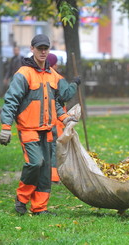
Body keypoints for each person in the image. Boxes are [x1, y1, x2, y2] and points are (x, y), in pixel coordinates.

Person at [0, 34, 77, 216]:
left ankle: (40, 208)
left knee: (45, 170)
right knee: (35, 163)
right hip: (28, 128)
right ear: (32, 49)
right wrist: (5, 127)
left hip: (47, 130)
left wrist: (64, 117)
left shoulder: (52, 75)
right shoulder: (24, 74)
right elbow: (11, 101)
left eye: (45, 48)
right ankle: (22, 197)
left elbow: (55, 101)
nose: (43, 51)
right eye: (39, 48)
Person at [46, 53, 80, 183]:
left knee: (48, 147)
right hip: (56, 118)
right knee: (56, 147)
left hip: (45, 117)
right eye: (55, 62)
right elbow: (66, 95)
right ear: (53, 64)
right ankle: (54, 177)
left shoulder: (43, 76)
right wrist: (75, 84)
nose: (57, 65)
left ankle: (46, 174)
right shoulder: (56, 77)